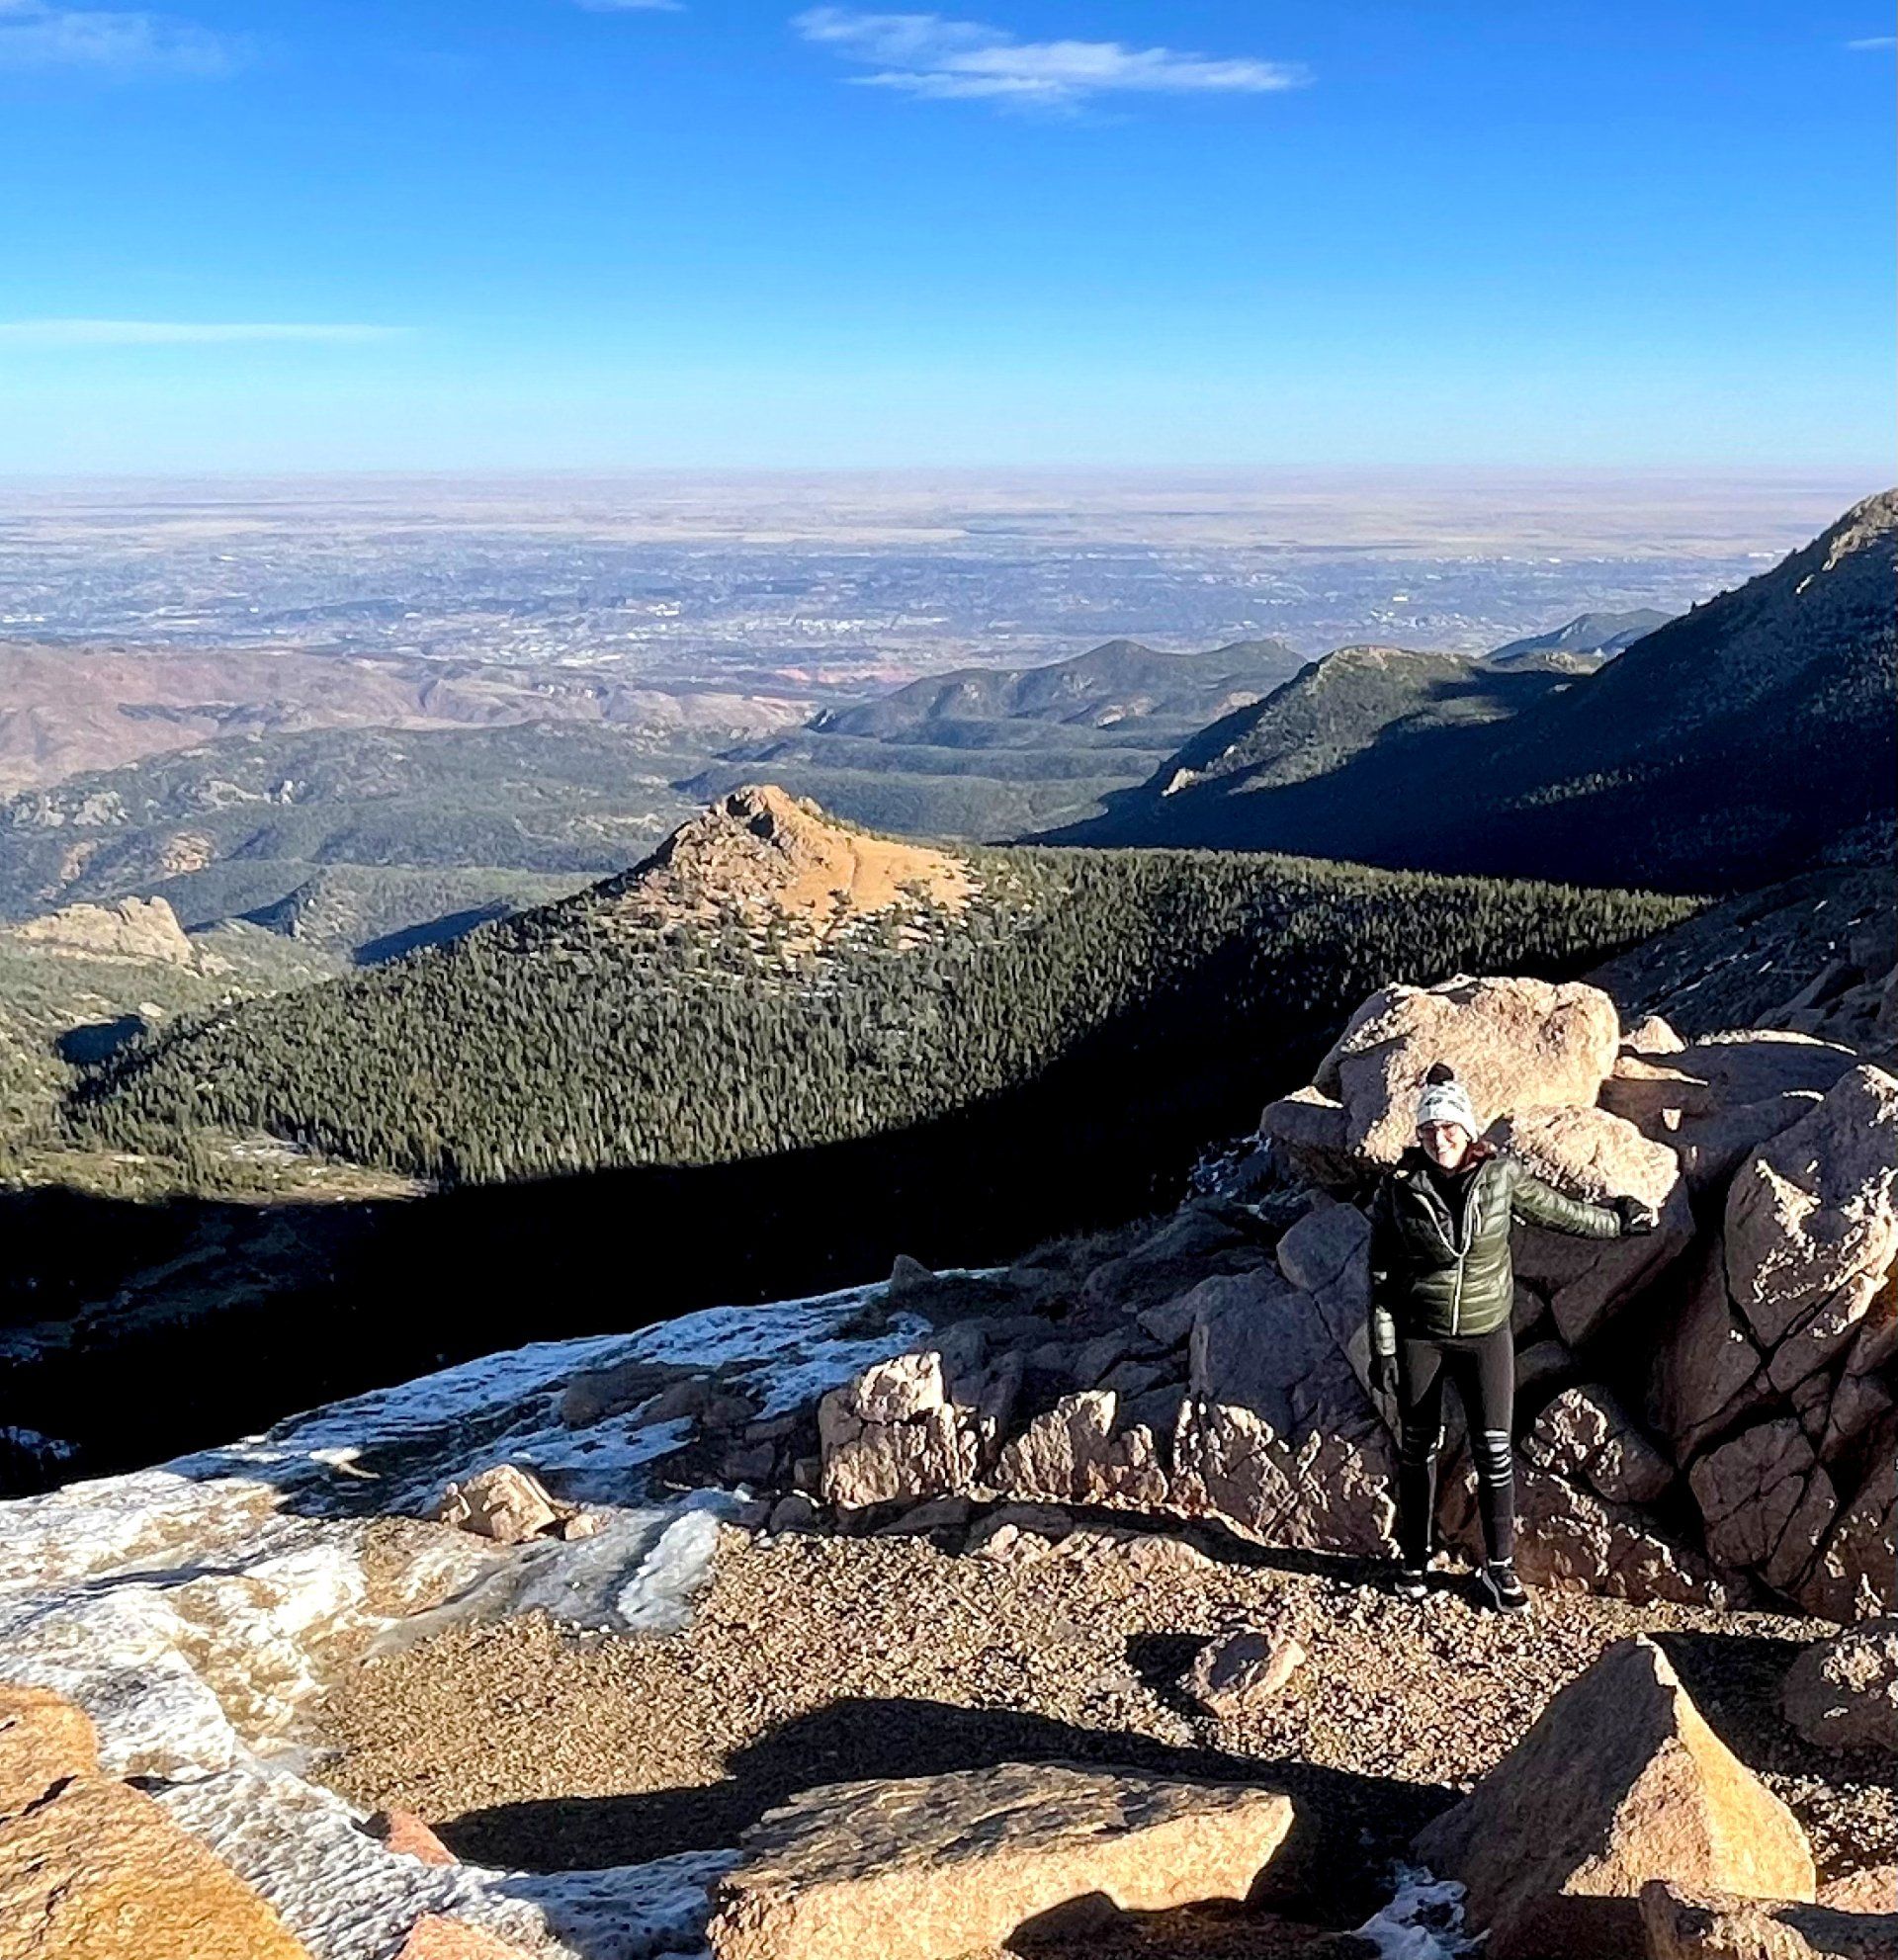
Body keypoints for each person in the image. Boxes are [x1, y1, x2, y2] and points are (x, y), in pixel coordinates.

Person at [1366, 1062, 1658, 1613]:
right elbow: (1381, 1275)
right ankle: (1414, 1560)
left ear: (1468, 1129)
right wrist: (1384, 1346)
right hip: (1420, 1334)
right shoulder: (1399, 1189)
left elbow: (1558, 1211)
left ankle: (1499, 1568)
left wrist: (1616, 1224)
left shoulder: (1499, 1178)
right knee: (1418, 1447)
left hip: (1485, 1334)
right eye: (1428, 1131)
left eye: (1449, 1128)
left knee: (1495, 1450)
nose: (1439, 1139)